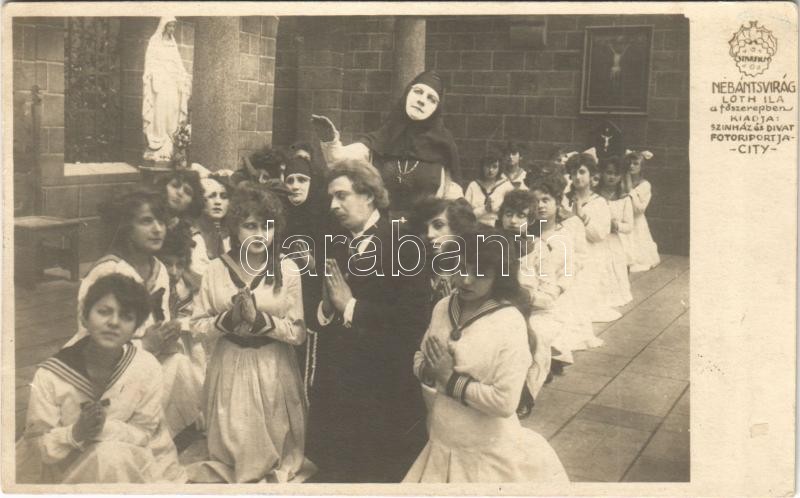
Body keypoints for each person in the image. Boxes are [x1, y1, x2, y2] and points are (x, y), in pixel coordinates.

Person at [403, 228, 568, 483]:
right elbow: (420, 357)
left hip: (486, 455)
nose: (466, 280)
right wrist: (428, 370)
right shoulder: (443, 307)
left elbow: (505, 402)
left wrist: (449, 379)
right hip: (441, 441)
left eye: (480, 272)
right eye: (461, 268)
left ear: (499, 276)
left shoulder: (508, 321)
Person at [307, 159, 431, 482]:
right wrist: (326, 309)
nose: (333, 205)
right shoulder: (334, 242)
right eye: (331, 198)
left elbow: (413, 319)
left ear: (369, 195)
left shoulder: (405, 243)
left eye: (342, 195)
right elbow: (319, 312)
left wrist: (351, 306)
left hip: (383, 389)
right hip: (339, 388)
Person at [187, 184, 310, 483]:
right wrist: (226, 321)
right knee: (233, 447)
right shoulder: (216, 270)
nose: (260, 234)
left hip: (272, 367)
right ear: (235, 227)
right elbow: (197, 327)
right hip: (229, 365)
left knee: (272, 448)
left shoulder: (287, 269)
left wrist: (260, 321)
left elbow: (298, 333)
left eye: (267, 226)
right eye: (250, 226)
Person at [17, 274, 186, 484]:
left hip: (127, 463)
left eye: (126, 316)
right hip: (67, 470)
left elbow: (144, 432)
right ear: (84, 317)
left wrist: (102, 429)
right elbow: (37, 447)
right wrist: (75, 433)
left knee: (109, 457)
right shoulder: (51, 375)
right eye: (104, 312)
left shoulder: (146, 367)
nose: (113, 322)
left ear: (137, 328)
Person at [63, 189, 201, 437]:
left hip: (145, 361)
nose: (157, 229)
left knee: (181, 364)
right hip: (104, 370)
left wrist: (167, 334)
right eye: (146, 221)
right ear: (126, 227)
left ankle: (163, 431)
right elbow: (89, 340)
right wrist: (145, 344)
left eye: (161, 221)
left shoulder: (159, 268)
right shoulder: (108, 271)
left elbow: (158, 321)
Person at [312, 70, 463, 220]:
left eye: (431, 99)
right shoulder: (383, 137)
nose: (422, 101)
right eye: (418, 92)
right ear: (407, 94)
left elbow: (453, 198)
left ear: (437, 108)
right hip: (384, 228)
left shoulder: (444, 146)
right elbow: (340, 160)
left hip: (424, 229)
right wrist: (330, 139)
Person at [565, 153, 621, 322]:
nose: (577, 177)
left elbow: (599, 235)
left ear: (591, 175)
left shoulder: (599, 203)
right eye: (573, 173)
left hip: (591, 254)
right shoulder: (564, 200)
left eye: (582, 172)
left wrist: (582, 216)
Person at [409, 197, 478, 305]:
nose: (429, 234)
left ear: (457, 229)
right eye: (424, 228)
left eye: (438, 225)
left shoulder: (473, 273)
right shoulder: (418, 270)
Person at [142, 16, 190, 163]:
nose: (172, 29)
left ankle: (170, 143)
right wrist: (153, 75)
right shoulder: (155, 41)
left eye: (173, 26)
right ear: (164, 26)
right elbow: (150, 61)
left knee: (172, 110)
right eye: (169, 26)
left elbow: (178, 63)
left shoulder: (173, 44)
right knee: (160, 111)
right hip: (160, 83)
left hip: (172, 83)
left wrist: (183, 76)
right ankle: (158, 142)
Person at [596, 156, 633, 307]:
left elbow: (629, 226)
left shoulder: (624, 198)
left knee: (614, 265)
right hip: (597, 238)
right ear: (602, 173)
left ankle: (614, 294)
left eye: (616, 174)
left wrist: (616, 226)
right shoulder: (594, 196)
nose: (612, 177)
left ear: (621, 176)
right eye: (609, 173)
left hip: (613, 239)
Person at [190, 174, 232, 283]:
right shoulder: (194, 237)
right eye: (212, 196)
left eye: (224, 196)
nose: (218, 202)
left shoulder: (228, 235)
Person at [623, 150, 660, 272]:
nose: (631, 166)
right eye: (629, 163)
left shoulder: (645, 185)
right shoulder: (622, 182)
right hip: (623, 220)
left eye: (635, 164)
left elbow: (639, 209)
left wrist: (630, 190)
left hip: (636, 221)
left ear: (642, 167)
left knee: (639, 253)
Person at [464, 151, 514, 227]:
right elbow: (465, 213)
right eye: (487, 166)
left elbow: (512, 212)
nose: (491, 170)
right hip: (476, 227)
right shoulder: (473, 186)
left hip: (498, 228)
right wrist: (484, 209)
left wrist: (497, 209)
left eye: (494, 167)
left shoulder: (506, 186)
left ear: (499, 168)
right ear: (482, 167)